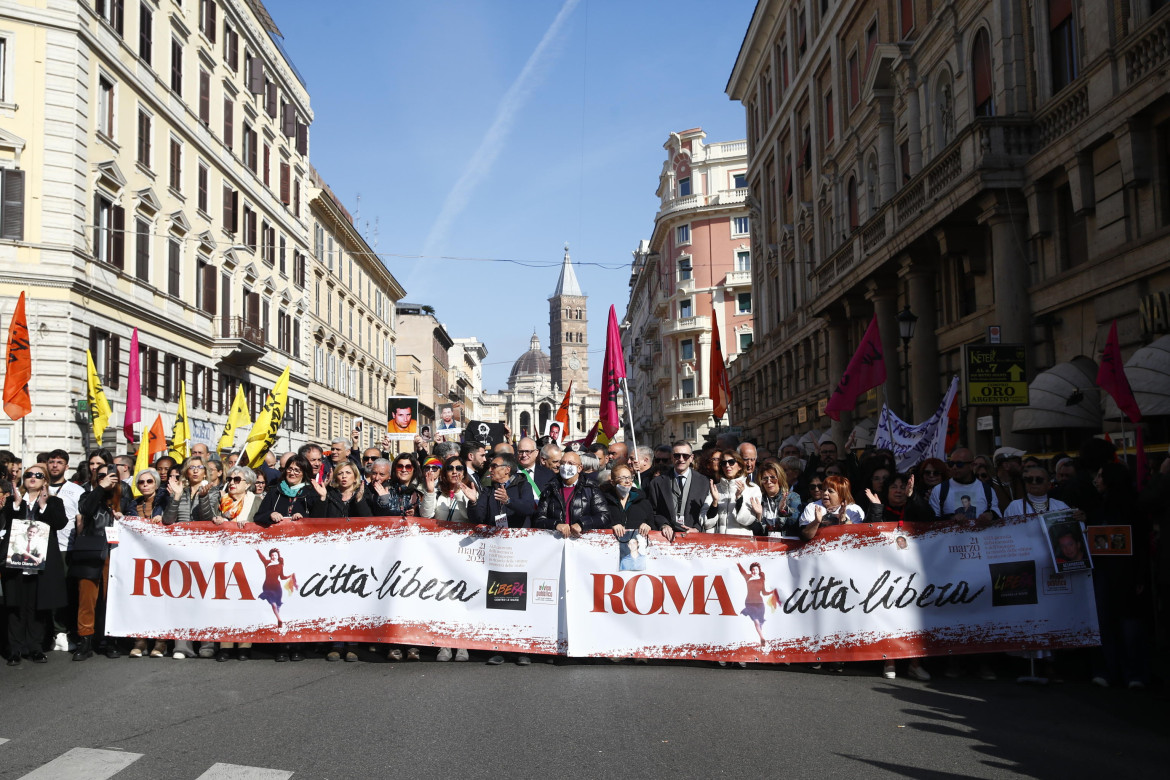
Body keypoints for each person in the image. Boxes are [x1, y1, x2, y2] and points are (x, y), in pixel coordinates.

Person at [3, 465, 68, 665]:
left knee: (37, 606)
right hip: (16, 561)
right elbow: (6, 522)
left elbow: (59, 523)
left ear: (45, 481)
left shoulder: (54, 501)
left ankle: (35, 647)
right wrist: (14, 505)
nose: (33, 477)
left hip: (41, 562)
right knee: (16, 606)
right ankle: (15, 649)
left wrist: (43, 506)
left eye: (38, 475)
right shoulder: (14, 502)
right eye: (29, 474)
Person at [73, 463, 137, 660]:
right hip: (91, 549)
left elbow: (134, 517)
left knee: (112, 599)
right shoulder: (88, 494)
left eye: (110, 475)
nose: (106, 478)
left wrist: (124, 517)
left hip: (116, 552)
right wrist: (100, 488)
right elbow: (85, 509)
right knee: (87, 599)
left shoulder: (124, 494)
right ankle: (85, 641)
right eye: (100, 475)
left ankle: (111, 641)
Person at [129, 467, 169, 659]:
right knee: (140, 599)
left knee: (161, 599)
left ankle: (161, 642)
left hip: (162, 558)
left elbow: (173, 518)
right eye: (141, 482)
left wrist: (164, 518)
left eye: (149, 481)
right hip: (140, 557)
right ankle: (141, 640)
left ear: (156, 483)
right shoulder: (132, 504)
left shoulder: (165, 500)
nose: (145, 485)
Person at [645, 441, 713, 541]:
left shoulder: (704, 482)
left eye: (685, 456)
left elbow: (707, 511)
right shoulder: (657, 482)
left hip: (695, 537)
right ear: (672, 457)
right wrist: (663, 525)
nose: (681, 459)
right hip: (666, 538)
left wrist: (697, 528)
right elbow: (653, 510)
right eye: (677, 456)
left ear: (691, 458)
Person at [534, 450, 609, 537]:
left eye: (570, 463)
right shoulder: (550, 488)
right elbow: (538, 519)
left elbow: (604, 516)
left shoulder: (591, 488)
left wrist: (582, 524)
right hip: (556, 542)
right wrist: (555, 524)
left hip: (582, 541)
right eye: (563, 463)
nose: (566, 466)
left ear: (580, 468)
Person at [928, 448, 999, 523]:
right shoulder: (939, 489)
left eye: (959, 464)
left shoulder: (987, 490)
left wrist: (991, 516)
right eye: (951, 464)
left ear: (972, 465)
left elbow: (998, 516)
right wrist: (951, 518)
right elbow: (932, 521)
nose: (954, 467)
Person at [701, 451, 763, 535]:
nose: (727, 465)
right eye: (723, 463)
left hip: (742, 542)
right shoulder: (715, 488)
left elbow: (748, 521)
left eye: (731, 462)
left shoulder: (752, 488)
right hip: (719, 542)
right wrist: (715, 502)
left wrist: (739, 499)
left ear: (740, 466)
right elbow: (706, 523)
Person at [469, 452, 535, 530]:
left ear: (507, 469)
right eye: (490, 466)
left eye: (494, 466)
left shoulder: (523, 485)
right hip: (495, 539)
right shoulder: (488, 490)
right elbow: (478, 519)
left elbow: (528, 509)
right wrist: (473, 503)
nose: (490, 470)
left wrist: (508, 501)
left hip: (517, 538)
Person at [799, 475, 864, 540]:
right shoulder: (813, 506)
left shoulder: (853, 509)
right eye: (824, 490)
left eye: (830, 491)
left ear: (841, 494)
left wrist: (844, 519)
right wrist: (816, 522)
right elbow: (805, 535)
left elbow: (858, 536)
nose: (825, 493)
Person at [422, 456, 479, 527]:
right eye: (450, 468)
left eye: (459, 468)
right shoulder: (438, 492)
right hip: (440, 535)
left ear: (464, 473)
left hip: (461, 536)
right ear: (445, 473)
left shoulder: (471, 492)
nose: (454, 472)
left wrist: (458, 493)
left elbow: (468, 516)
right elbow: (426, 515)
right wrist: (430, 491)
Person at [603, 464, 654, 539]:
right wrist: (611, 526)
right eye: (622, 478)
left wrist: (648, 526)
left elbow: (653, 524)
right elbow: (597, 523)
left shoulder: (643, 502)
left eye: (629, 478)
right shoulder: (604, 502)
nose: (627, 481)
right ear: (613, 482)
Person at [737, 562, 777, 649]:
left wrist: (772, 592)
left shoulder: (761, 579)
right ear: (751, 570)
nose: (754, 571)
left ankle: (762, 641)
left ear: (759, 571)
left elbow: (764, 592)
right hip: (750, 603)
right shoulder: (748, 577)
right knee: (756, 621)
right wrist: (737, 562)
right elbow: (741, 570)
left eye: (756, 569)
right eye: (753, 569)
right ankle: (762, 638)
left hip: (760, 604)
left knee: (760, 622)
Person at [756, 460, 800, 536]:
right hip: (765, 543)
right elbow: (756, 531)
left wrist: (783, 511)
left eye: (773, 478)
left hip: (786, 543)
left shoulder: (792, 497)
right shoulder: (758, 499)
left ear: (780, 479)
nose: (769, 482)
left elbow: (794, 524)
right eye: (765, 479)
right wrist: (759, 516)